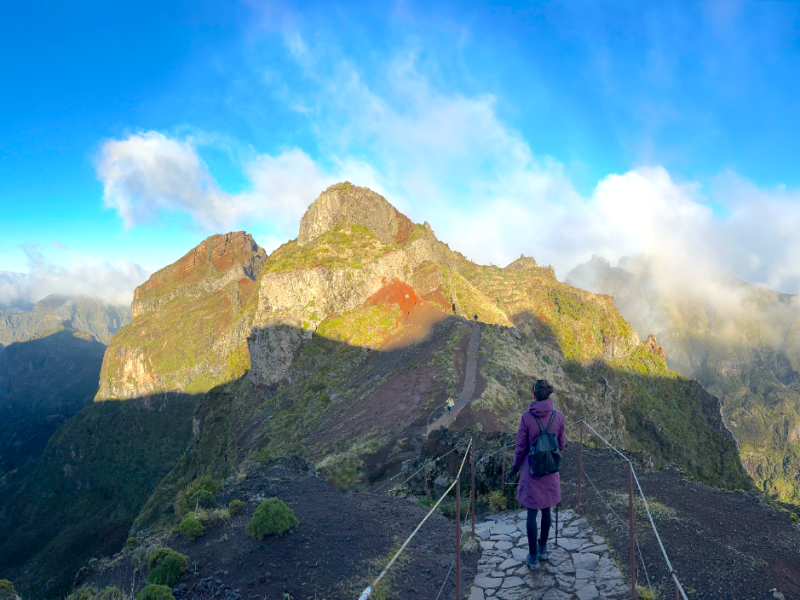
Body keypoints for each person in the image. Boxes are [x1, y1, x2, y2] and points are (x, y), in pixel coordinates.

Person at [510, 379, 566, 570]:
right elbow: (562, 444)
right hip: (550, 470)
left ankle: (532, 557)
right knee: (547, 510)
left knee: (532, 513)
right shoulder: (557, 416)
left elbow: (520, 447)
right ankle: (543, 550)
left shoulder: (526, 417)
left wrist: (514, 467)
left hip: (531, 470)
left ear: (534, 395)